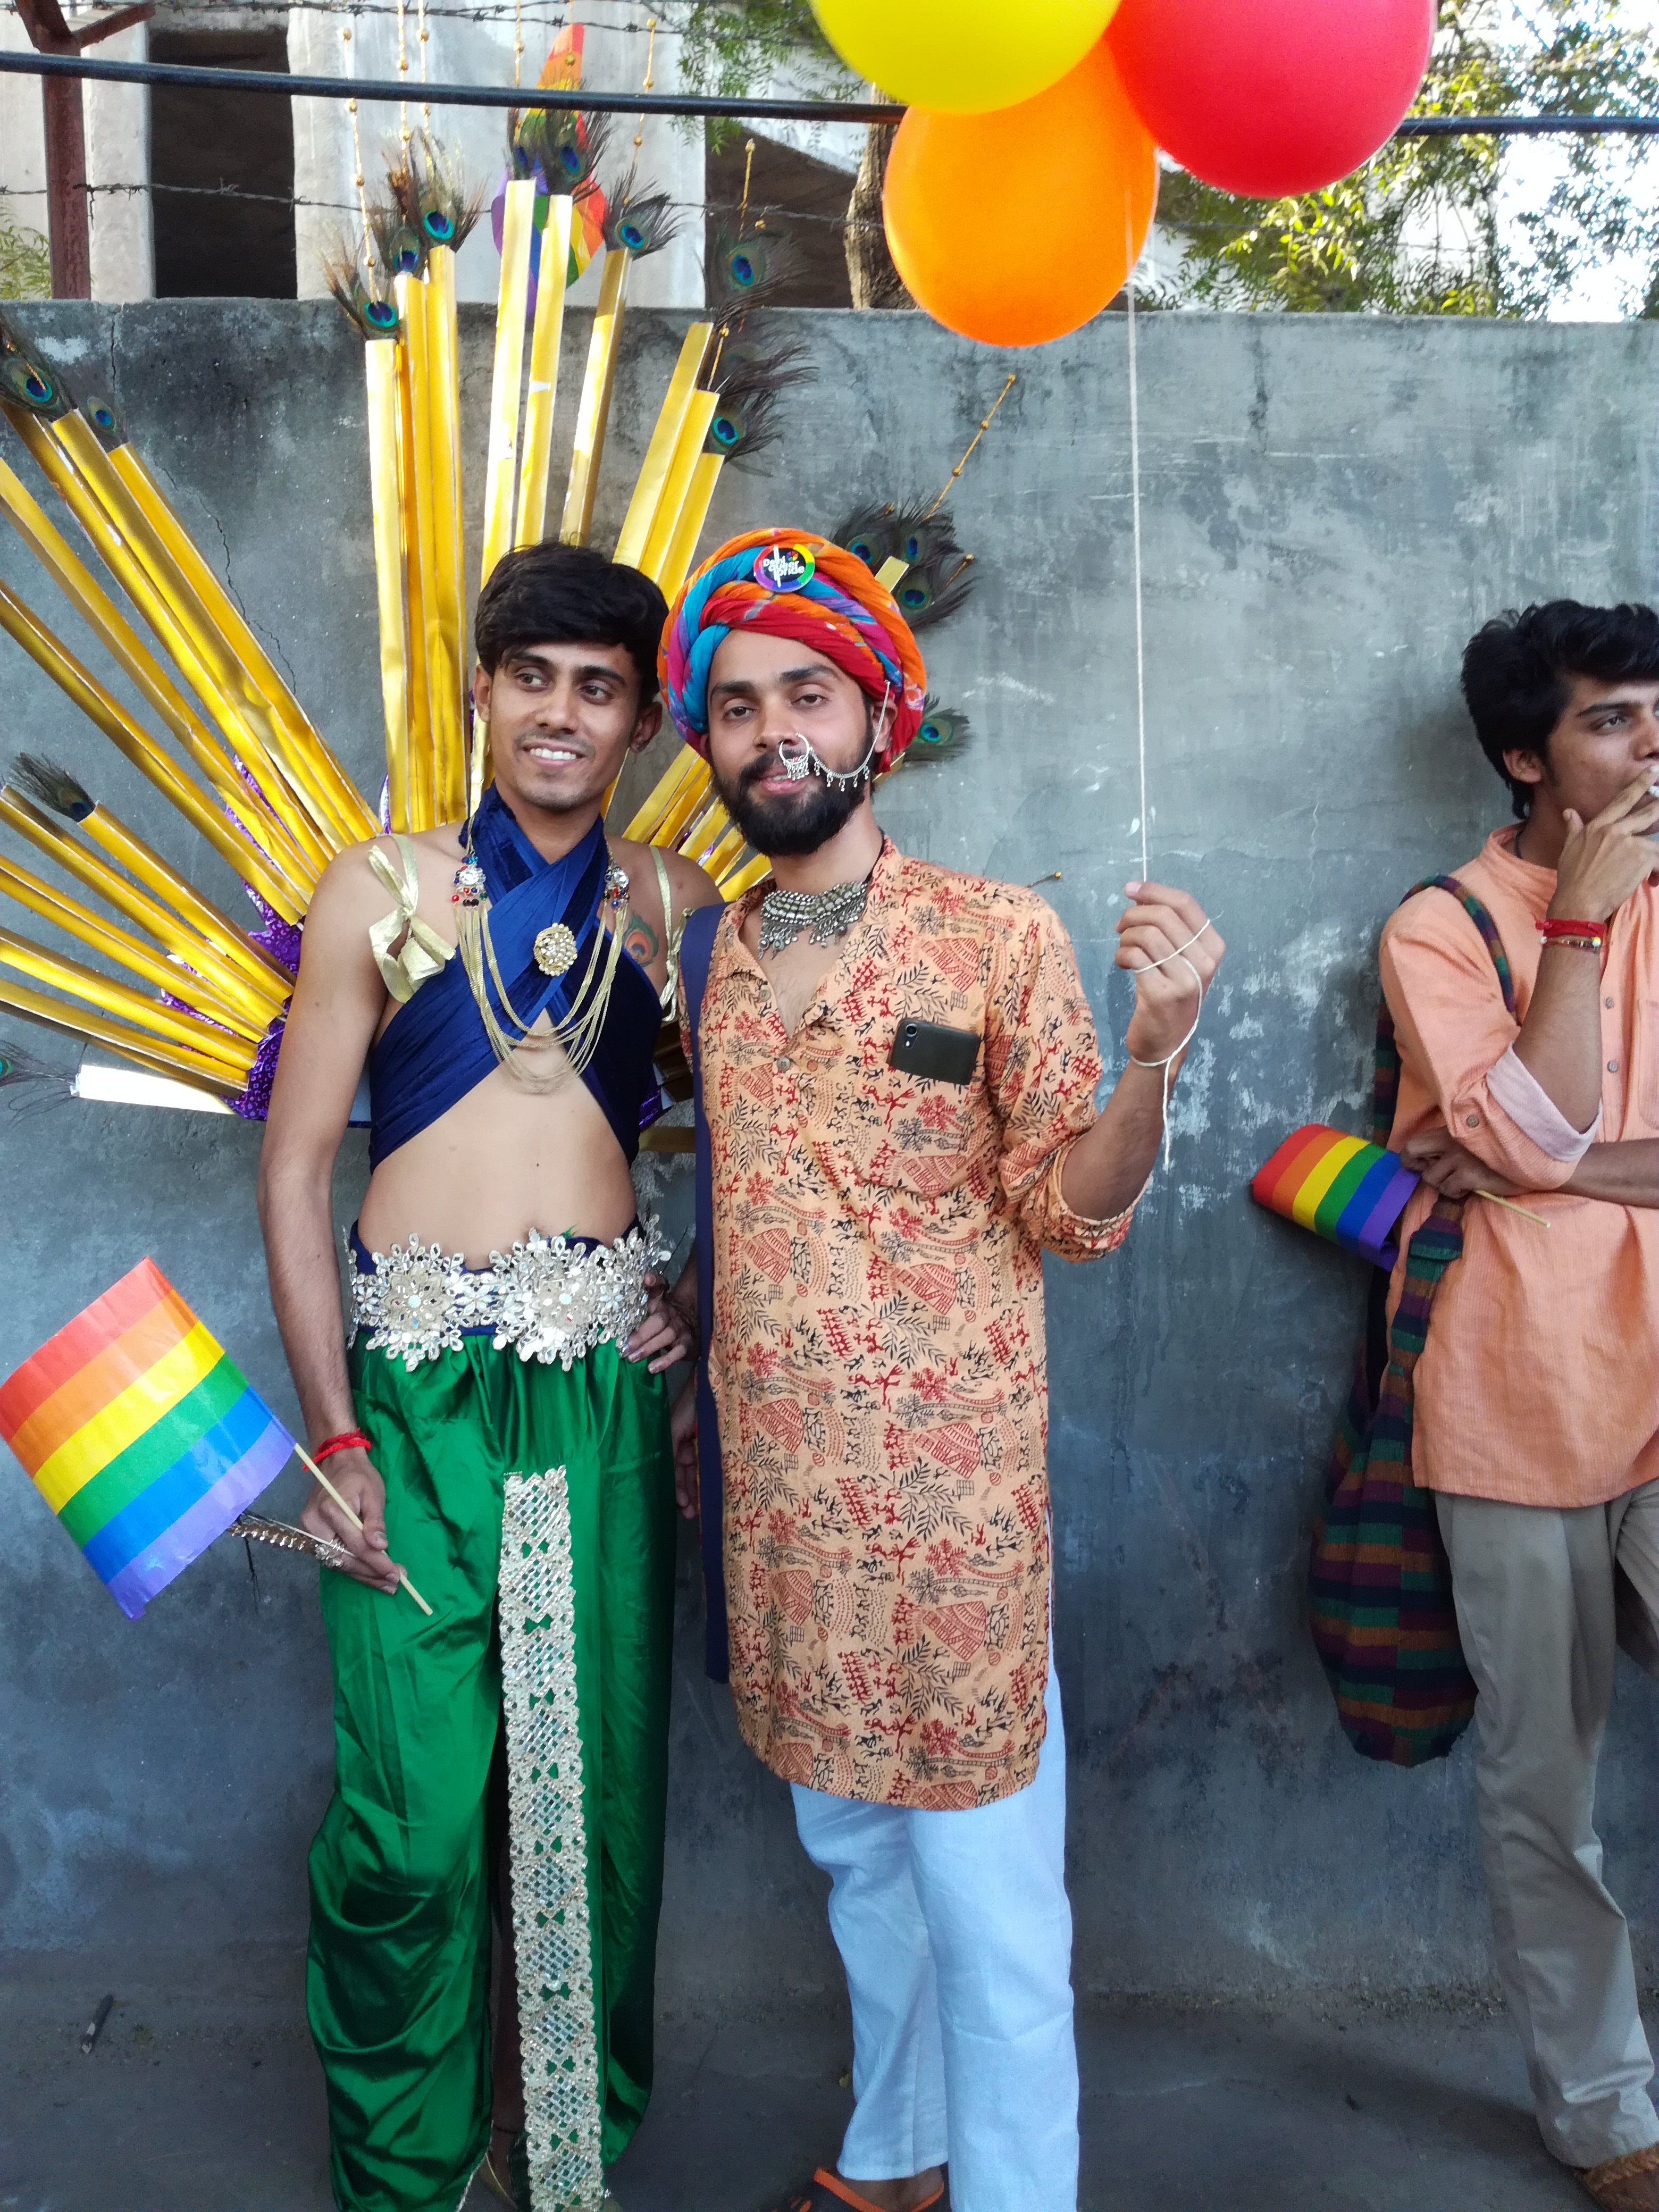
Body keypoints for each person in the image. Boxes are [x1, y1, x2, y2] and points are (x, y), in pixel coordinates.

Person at [656, 529, 1225, 2212]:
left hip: (956, 1520)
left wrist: (1150, 1062)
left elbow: (1069, 1209)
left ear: (879, 722)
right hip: (783, 1509)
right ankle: (900, 2158)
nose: (775, 734)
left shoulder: (995, 941)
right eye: (740, 707)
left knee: (993, 1915)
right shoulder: (710, 960)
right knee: (854, 1861)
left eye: (808, 696)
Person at [257, 541, 709, 2212]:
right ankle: (406, 2172)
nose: (562, 716)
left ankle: (565, 2158)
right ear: (483, 691)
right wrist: (333, 1432)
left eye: (600, 689)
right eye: (535, 679)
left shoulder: (676, 908)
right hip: (413, 1397)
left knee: (591, 1804)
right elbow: (298, 1169)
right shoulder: (377, 890)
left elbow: (772, 1152)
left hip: (597, 1403)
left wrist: (699, 1319)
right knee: (416, 1815)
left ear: (645, 721)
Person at [1380, 601, 1659, 2212]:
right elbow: (1543, 1115)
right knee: (1546, 1785)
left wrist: (1533, 1169)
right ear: (1524, 759)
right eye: (1614, 723)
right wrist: (1578, 928)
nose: (1649, 751)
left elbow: (1533, 1146)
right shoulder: (1445, 928)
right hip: (1520, 1400)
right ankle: (1606, 2107)